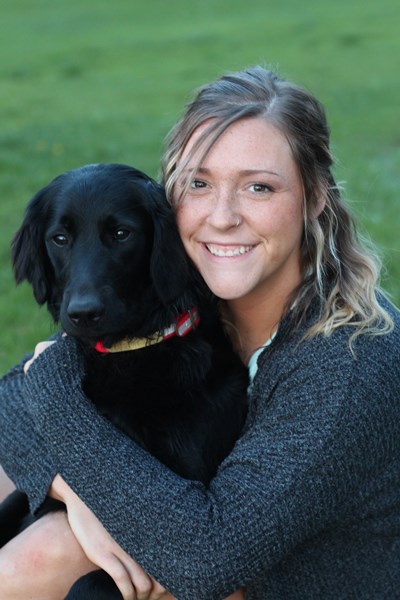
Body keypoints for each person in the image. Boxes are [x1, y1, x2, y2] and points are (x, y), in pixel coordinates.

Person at [0, 65, 399, 600]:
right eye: (199, 183)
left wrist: (49, 387)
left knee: (48, 549)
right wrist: (73, 491)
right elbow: (9, 404)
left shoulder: (349, 363)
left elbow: (205, 558)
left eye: (259, 187)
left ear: (315, 197)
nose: (223, 216)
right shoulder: (187, 299)